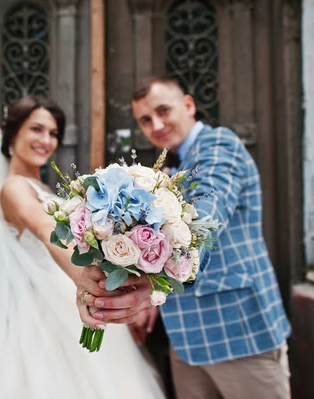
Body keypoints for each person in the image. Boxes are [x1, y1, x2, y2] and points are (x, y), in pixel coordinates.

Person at [76, 77, 292, 399]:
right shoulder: (173, 167)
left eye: (164, 110)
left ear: (189, 105)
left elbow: (208, 219)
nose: (157, 125)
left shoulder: (219, 145)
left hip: (240, 332)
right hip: (186, 340)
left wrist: (149, 287)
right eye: (145, 120)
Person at [0, 96, 165, 399]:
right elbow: (45, 229)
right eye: (37, 129)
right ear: (12, 134)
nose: (46, 140)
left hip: (73, 305)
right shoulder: (14, 188)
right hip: (47, 317)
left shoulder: (46, 190)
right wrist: (85, 282)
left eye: (53, 133)